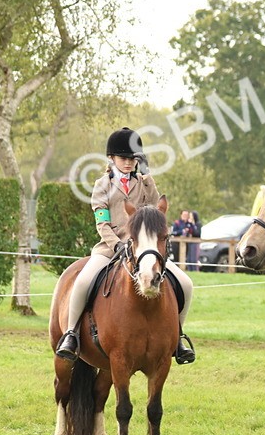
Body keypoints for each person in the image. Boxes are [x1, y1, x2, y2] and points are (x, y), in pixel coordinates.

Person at [54, 127, 196, 364]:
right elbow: (102, 223)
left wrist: (148, 175)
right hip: (110, 249)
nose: (129, 163)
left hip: (142, 250)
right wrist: (117, 244)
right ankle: (71, 334)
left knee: (186, 284)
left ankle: (178, 337)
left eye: (133, 159)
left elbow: (155, 208)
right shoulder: (102, 185)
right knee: (82, 282)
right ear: (112, 158)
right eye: (124, 159)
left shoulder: (143, 183)